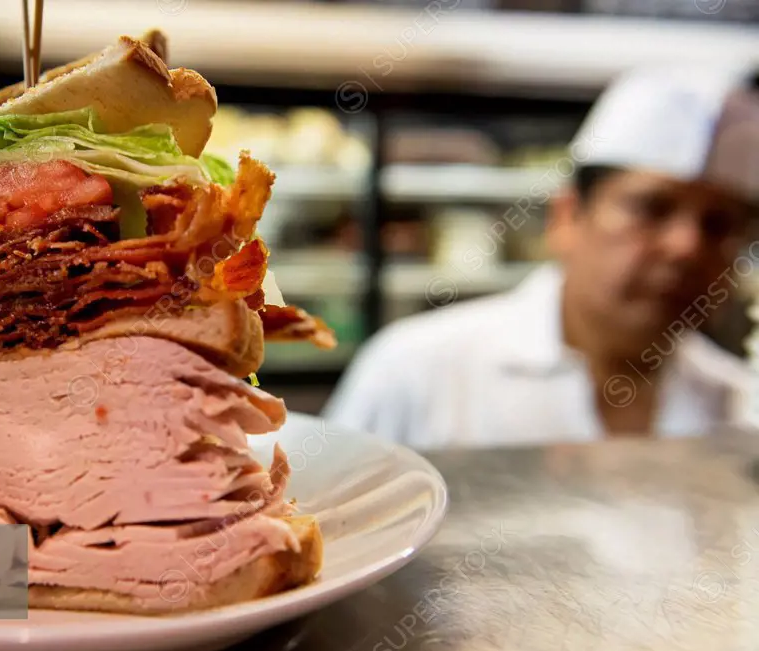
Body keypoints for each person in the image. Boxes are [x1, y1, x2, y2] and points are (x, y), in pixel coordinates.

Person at [322, 65, 759, 450]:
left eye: (719, 225)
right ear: (567, 217)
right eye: (651, 208)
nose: (686, 247)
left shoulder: (740, 404)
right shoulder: (416, 374)